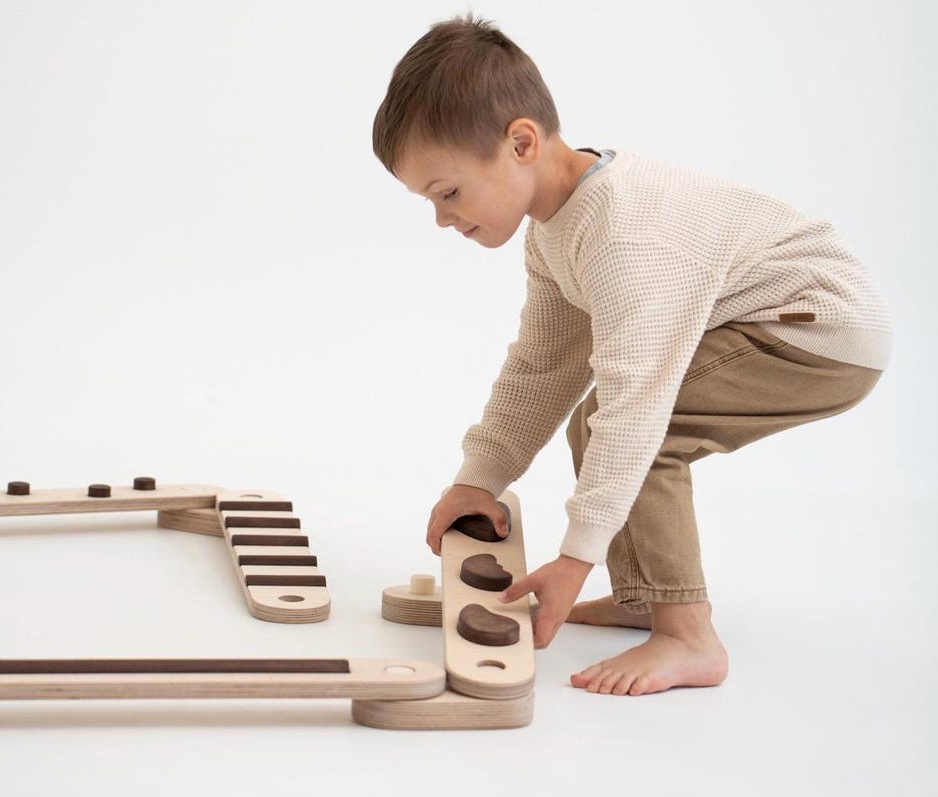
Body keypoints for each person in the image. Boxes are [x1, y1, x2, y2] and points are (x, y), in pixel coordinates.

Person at [371, 15, 892, 696]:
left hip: (819, 328)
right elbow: (542, 367)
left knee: (640, 426)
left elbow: (636, 402)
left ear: (521, 142)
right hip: (781, 320)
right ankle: (649, 592)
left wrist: (574, 557)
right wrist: (480, 477)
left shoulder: (624, 236)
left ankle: (688, 636)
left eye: (449, 192)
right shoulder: (554, 230)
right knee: (609, 418)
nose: (442, 218)